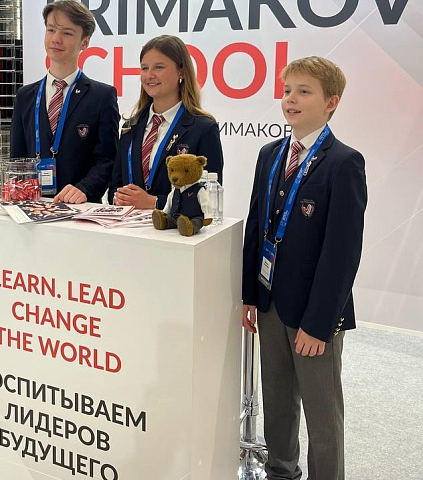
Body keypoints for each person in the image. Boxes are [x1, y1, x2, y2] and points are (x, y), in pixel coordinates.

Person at [242, 56, 367, 480]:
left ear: (331, 102)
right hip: (270, 301)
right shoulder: (269, 154)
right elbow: (257, 225)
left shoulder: (344, 162)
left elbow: (342, 252)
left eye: (304, 91)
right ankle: (280, 469)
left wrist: (319, 323)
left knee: (321, 409)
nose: (290, 99)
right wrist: (250, 294)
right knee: (277, 397)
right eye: (287, 91)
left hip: (315, 313)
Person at [10, 0, 120, 204]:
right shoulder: (25, 96)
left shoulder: (102, 96)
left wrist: (84, 189)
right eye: (51, 30)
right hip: (33, 208)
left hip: (80, 208)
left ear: (84, 42)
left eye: (67, 33)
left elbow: (107, 159)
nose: (56, 39)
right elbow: (18, 159)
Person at [108, 35, 223, 209]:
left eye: (159, 67)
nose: (149, 75)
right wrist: (120, 198)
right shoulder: (130, 127)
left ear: (181, 72)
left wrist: (154, 202)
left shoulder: (203, 129)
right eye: (144, 68)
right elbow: (114, 188)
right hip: (127, 225)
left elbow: (208, 196)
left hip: (175, 226)